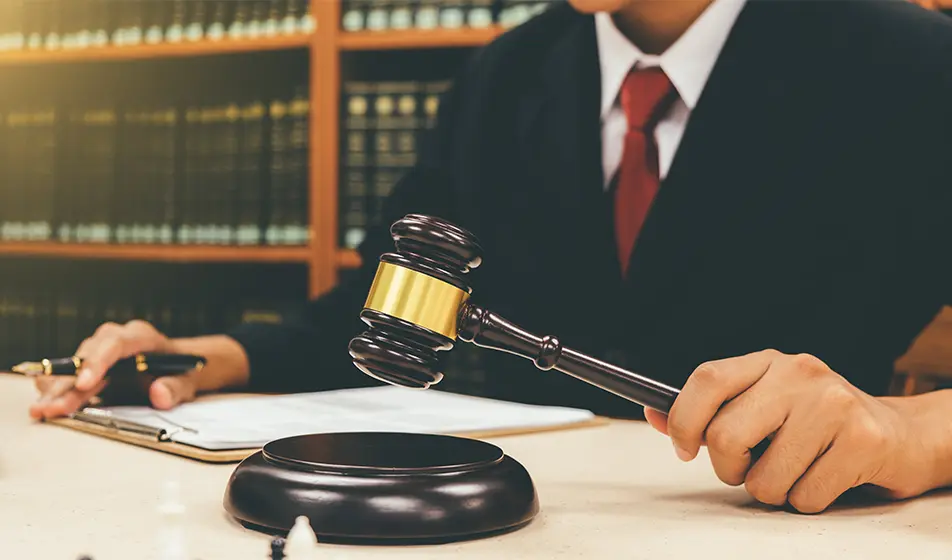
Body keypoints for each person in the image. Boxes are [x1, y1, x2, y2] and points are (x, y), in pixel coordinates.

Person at [30, 0, 952, 514]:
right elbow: (391, 311)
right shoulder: (507, 72)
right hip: (543, 529)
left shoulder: (913, 65)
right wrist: (206, 359)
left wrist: (915, 434)